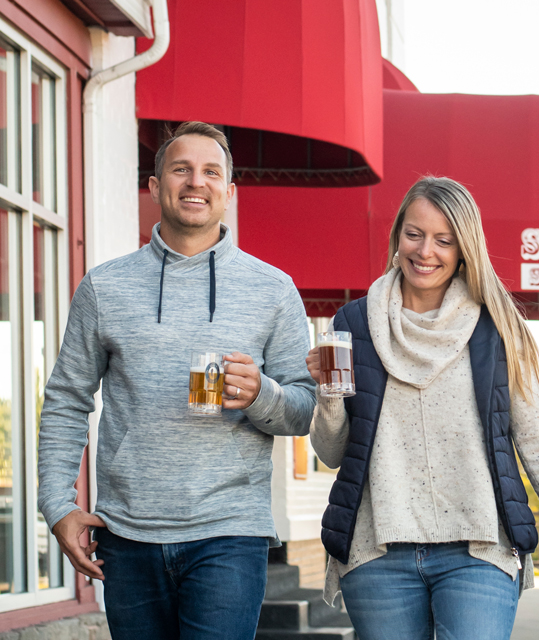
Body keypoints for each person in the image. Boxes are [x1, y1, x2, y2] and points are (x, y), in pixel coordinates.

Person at [37, 121, 316, 640]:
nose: (196, 182)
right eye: (181, 169)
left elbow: (304, 410)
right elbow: (66, 400)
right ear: (154, 185)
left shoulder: (273, 290)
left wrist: (261, 394)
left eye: (211, 172)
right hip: (126, 535)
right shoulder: (105, 286)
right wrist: (58, 504)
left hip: (230, 534)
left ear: (229, 193)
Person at [307, 176, 539, 640]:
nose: (426, 251)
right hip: (377, 553)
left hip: (479, 551)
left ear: (464, 249)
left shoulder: (497, 328)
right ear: (397, 236)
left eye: (444, 240)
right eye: (414, 234)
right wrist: (328, 395)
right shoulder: (353, 324)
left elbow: (537, 444)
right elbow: (332, 452)